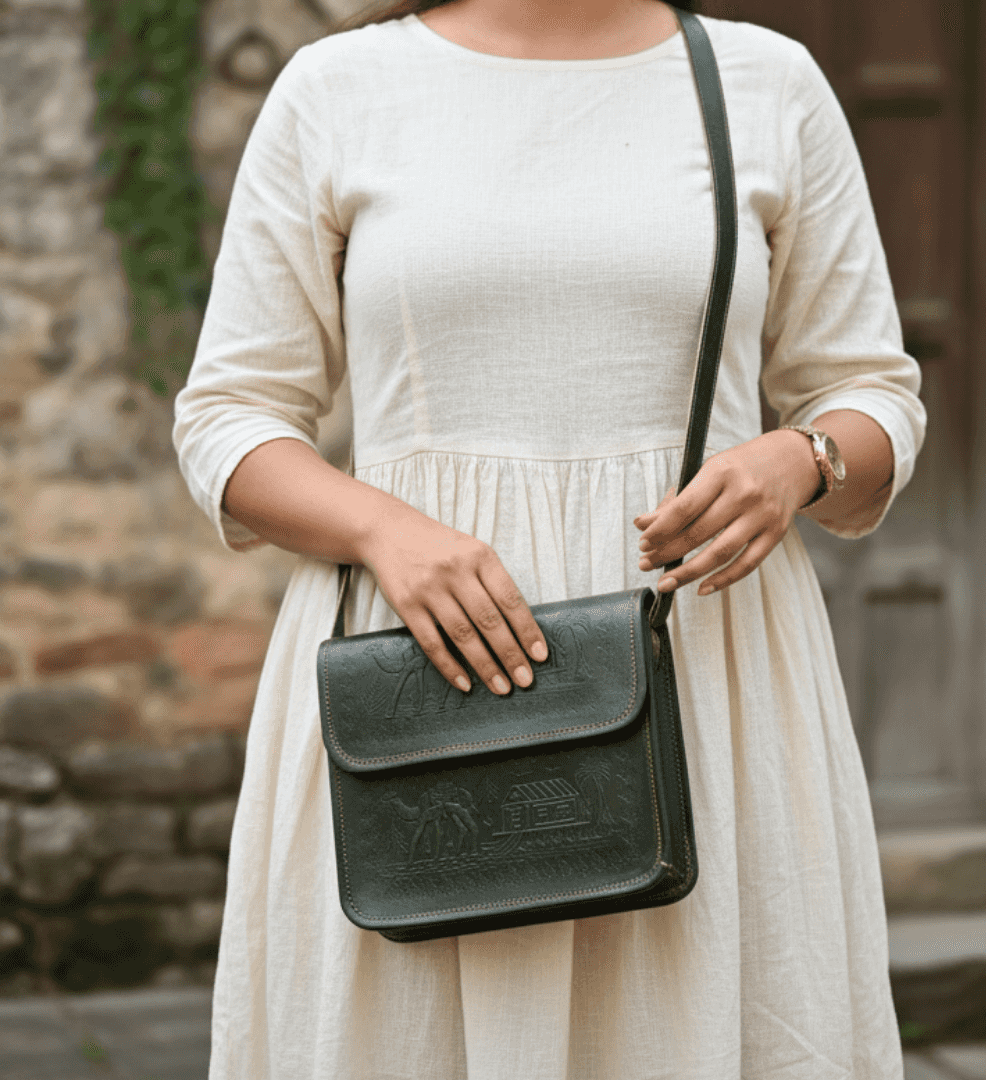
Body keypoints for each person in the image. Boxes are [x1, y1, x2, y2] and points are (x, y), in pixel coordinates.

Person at [172, 0, 925, 1076]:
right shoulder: (337, 88)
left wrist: (800, 457)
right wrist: (383, 528)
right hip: (422, 682)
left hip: (706, 678)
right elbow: (227, 416)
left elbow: (873, 393)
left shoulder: (766, 82)